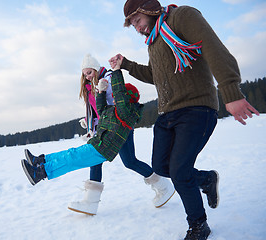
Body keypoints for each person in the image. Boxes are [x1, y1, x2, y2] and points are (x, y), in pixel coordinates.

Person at [109, 1, 260, 239]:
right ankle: (206, 179)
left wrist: (230, 91)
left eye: (137, 21)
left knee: (179, 170)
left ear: (148, 9)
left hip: (196, 109)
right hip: (168, 113)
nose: (137, 28)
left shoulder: (181, 17)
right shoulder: (155, 40)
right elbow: (155, 75)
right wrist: (126, 64)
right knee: (161, 166)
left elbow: (213, 48)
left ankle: (199, 224)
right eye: (133, 25)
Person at [21, 69, 173, 213]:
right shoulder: (114, 110)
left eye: (117, 96)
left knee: (72, 158)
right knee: (74, 154)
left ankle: (42, 172)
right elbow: (101, 109)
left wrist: (117, 70)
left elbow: (119, 92)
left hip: (103, 148)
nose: (113, 96)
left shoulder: (125, 111)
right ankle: (41, 161)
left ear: (125, 99)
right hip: (99, 144)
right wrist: (100, 92)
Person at [67, 53, 174, 216]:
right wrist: (89, 121)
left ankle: (164, 187)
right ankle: (163, 187)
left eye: (89, 72)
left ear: (96, 69)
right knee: (125, 161)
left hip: (119, 125)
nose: (87, 77)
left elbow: (118, 98)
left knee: (122, 160)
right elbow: (99, 109)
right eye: (84, 74)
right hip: (107, 127)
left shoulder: (108, 79)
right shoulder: (91, 87)